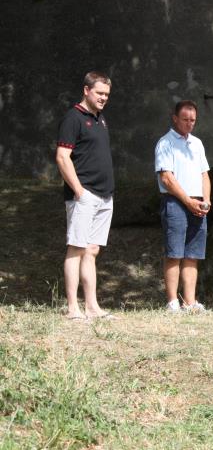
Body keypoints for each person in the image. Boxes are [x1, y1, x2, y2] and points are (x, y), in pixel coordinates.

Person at [56, 71, 116, 320]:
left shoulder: (100, 119)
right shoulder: (73, 118)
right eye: (99, 93)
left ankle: (92, 307)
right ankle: (73, 308)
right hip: (84, 195)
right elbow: (62, 157)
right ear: (86, 90)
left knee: (91, 251)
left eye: (107, 95)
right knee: (76, 249)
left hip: (105, 196)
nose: (103, 98)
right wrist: (79, 190)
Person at [154, 100, 211, 313]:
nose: (189, 123)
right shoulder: (165, 143)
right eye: (185, 119)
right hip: (176, 202)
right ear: (175, 118)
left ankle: (190, 301)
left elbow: (204, 174)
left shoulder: (196, 143)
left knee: (192, 255)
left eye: (193, 120)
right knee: (174, 253)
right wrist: (187, 201)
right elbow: (167, 178)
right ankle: (172, 302)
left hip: (197, 203)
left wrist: (206, 200)